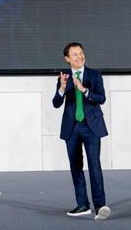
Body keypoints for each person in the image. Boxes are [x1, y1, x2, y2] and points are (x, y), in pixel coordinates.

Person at [52, 42, 111, 220]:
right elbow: (56, 103)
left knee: (94, 166)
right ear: (67, 59)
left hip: (91, 127)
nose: (79, 57)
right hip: (72, 128)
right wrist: (62, 89)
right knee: (76, 167)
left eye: (81, 53)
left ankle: (100, 207)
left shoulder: (94, 75)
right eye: (75, 55)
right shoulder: (64, 77)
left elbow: (101, 98)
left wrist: (84, 90)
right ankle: (83, 204)